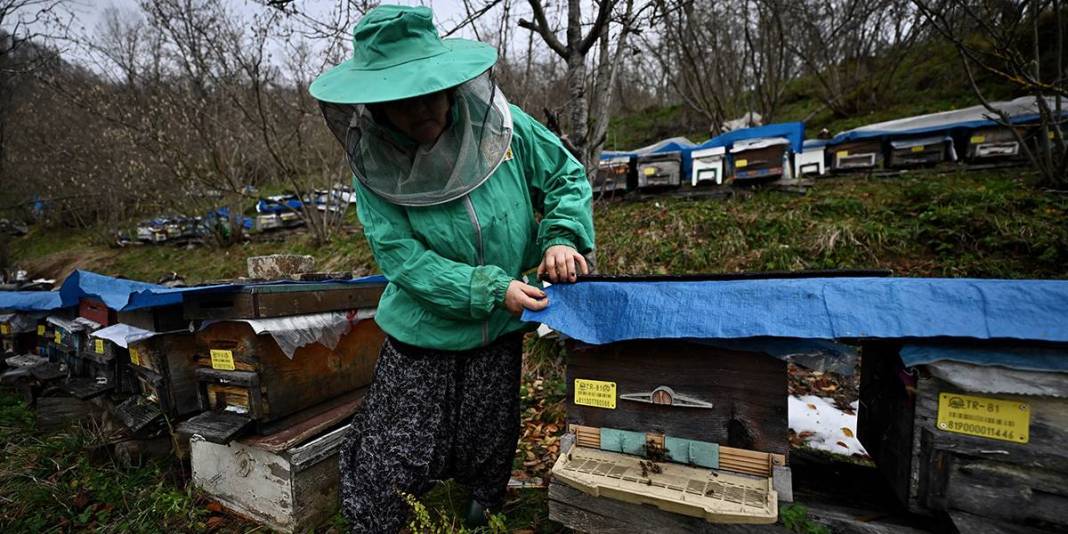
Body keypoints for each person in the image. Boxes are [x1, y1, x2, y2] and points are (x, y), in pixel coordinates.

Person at [308, 5, 595, 533]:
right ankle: (376, 520)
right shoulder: (374, 167)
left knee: (489, 434)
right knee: (400, 449)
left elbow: (566, 177)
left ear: (450, 84)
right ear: (376, 106)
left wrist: (561, 238)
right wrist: (490, 289)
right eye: (401, 102)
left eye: (428, 93)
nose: (421, 110)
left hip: (503, 327)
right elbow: (404, 260)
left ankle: (481, 508)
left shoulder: (501, 126)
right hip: (425, 333)